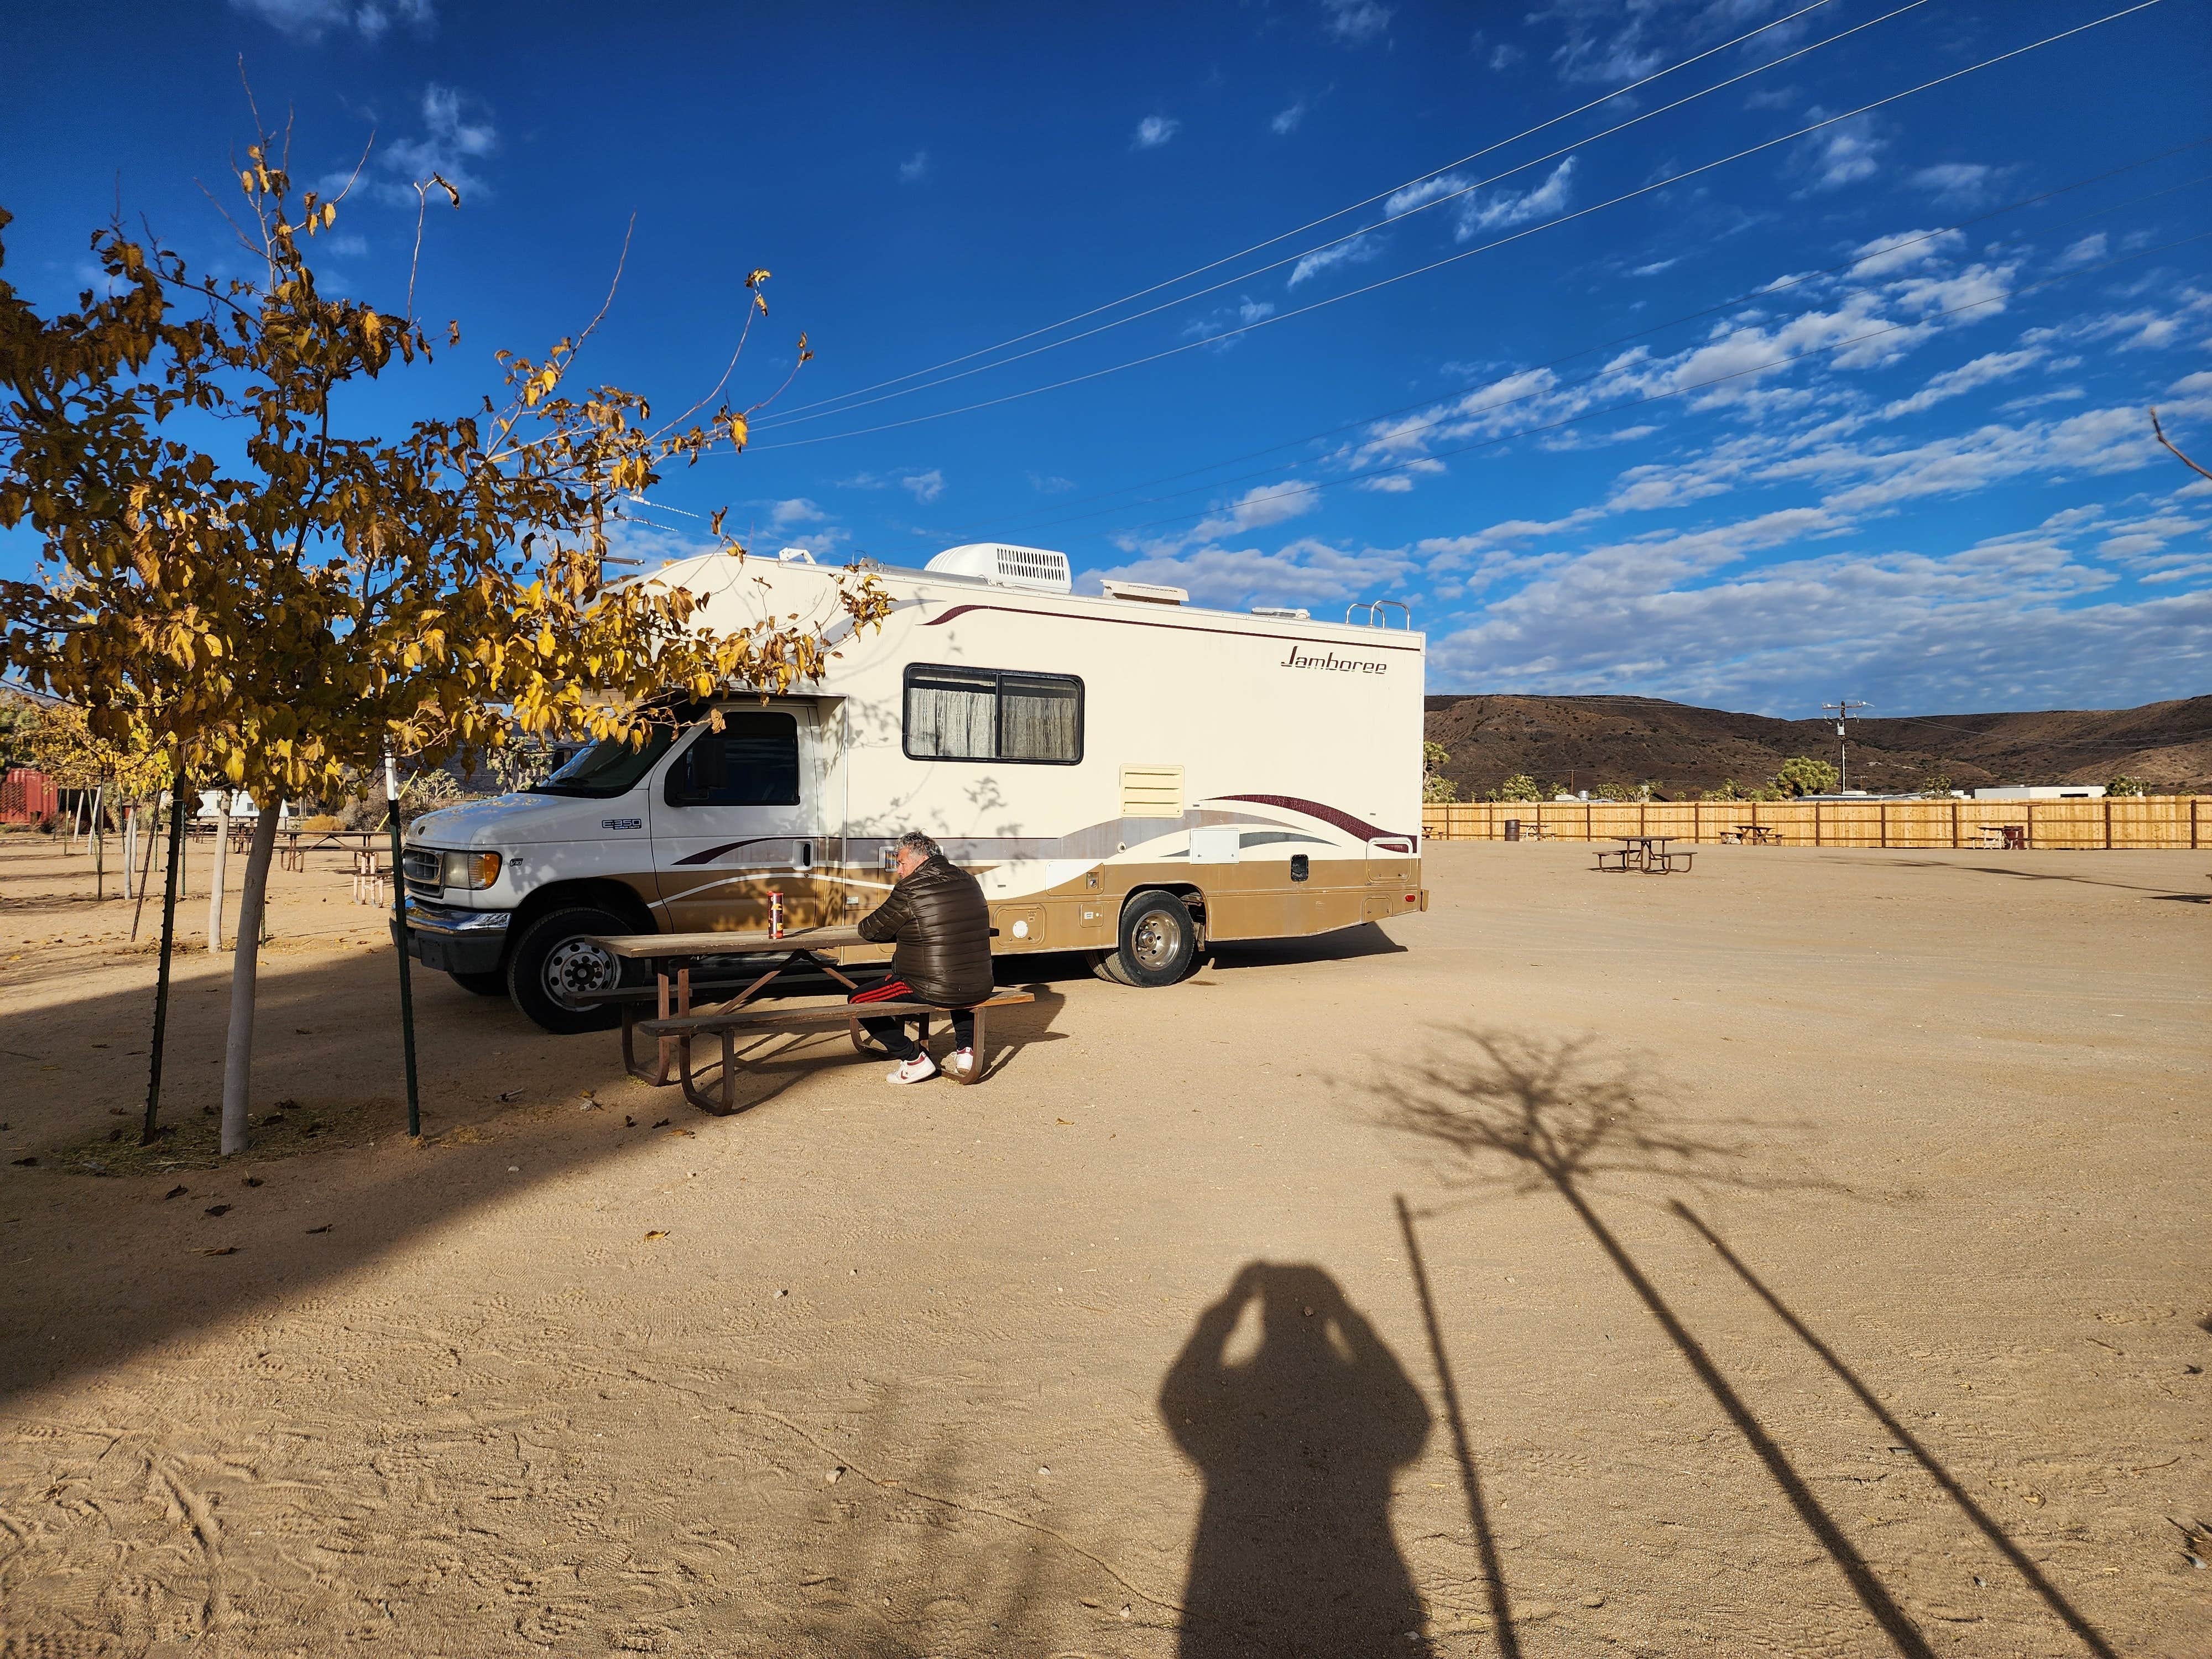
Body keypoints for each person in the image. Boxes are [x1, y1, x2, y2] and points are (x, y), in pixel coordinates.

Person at [849, 831, 994, 1084]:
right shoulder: (968, 880)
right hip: (980, 983)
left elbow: (870, 930)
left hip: (928, 985)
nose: (899, 870)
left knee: (858, 999)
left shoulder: (910, 888)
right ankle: (966, 1050)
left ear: (921, 859)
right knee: (957, 974)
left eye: (901, 862)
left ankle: (914, 1060)